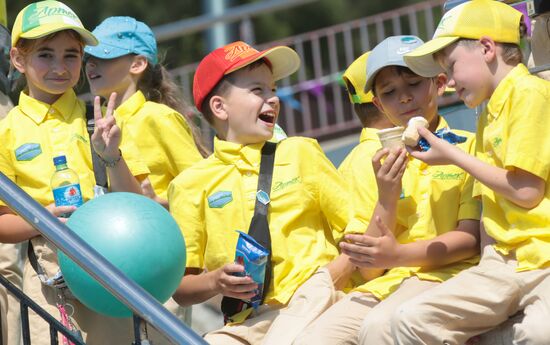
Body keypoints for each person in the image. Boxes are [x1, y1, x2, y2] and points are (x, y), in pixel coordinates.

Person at [294, 35, 481, 345]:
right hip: (383, 286)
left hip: (447, 275)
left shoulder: (468, 146)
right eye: (390, 92)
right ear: (378, 104)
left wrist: (398, 255)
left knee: (380, 327)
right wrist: (387, 194)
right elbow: (369, 271)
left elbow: (470, 241)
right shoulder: (374, 162)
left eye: (414, 84)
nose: (404, 98)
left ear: (440, 82)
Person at [169, 40, 354, 345]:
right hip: (246, 322)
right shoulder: (190, 184)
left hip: (317, 302)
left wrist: (328, 279)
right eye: (258, 91)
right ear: (219, 106)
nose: (273, 99)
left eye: (273, 89)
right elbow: (183, 289)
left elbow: (355, 229)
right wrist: (216, 280)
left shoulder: (301, 152)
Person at [391, 1, 550, 344]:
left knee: (538, 333)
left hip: (542, 261)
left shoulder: (529, 92)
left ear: (487, 48)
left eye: (451, 66)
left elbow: (526, 192)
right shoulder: (487, 112)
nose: (446, 83)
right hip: (501, 265)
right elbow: (489, 215)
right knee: (408, 320)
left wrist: (451, 154)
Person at [1, 1, 150, 344]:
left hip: (111, 264)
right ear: (17, 59)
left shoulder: (101, 120)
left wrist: (112, 156)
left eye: (71, 55)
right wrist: (43, 219)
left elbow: (137, 204)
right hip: (46, 278)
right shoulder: (6, 134)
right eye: (45, 54)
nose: (60, 66)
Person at [83, 15, 205, 334]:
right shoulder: (92, 128)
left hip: (159, 264)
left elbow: (202, 185)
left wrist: (161, 205)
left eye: (104, 57)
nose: (91, 64)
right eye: (88, 57)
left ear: (137, 64)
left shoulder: (158, 117)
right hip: (114, 267)